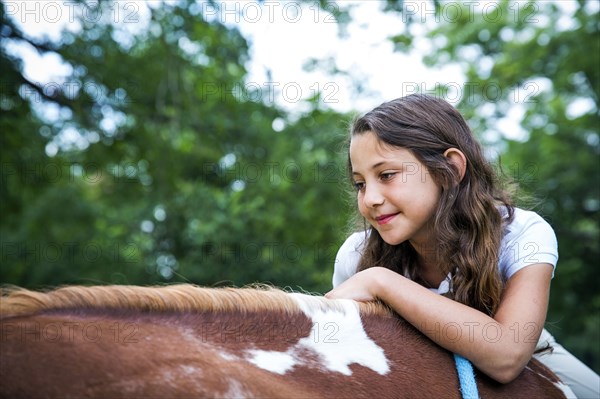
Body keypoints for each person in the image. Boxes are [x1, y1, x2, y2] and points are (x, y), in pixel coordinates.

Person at [325, 94, 599, 398]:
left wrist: (383, 282)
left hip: (532, 352)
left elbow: (508, 356)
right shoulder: (356, 256)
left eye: (387, 175)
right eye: (360, 184)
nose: (371, 198)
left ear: (451, 170)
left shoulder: (522, 233)